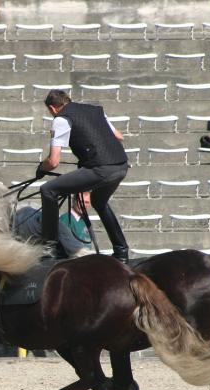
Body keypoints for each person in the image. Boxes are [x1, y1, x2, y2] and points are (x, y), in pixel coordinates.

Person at [36, 90, 129, 263]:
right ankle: (121, 251)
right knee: (99, 201)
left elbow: (53, 161)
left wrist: (41, 168)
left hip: (101, 169)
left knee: (48, 189)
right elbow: (119, 136)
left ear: (52, 108)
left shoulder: (61, 119)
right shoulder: (95, 110)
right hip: (122, 166)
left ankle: (49, 249)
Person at [14, 191, 93, 259]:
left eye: (86, 202)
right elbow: (62, 247)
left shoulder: (85, 221)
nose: (83, 205)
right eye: (80, 201)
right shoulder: (66, 219)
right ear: (74, 201)